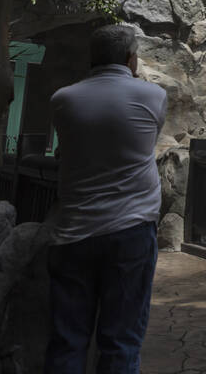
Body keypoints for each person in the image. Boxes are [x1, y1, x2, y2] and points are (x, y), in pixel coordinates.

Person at [44, 24, 168, 374]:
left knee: (67, 340)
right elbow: (142, 140)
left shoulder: (63, 99)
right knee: (121, 341)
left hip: (73, 232)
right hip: (131, 230)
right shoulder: (153, 96)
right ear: (132, 59)